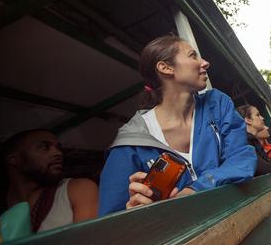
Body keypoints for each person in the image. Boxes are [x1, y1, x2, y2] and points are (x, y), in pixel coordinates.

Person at [98, 35, 256, 215]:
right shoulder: (129, 144)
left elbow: (241, 157)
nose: (205, 63)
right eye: (193, 56)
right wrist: (137, 214)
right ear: (165, 68)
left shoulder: (218, 104)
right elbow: (112, 221)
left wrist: (196, 189)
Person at [0, 129, 98, 232]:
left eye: (58, 148)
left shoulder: (78, 189)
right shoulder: (2, 210)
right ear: (13, 160)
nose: (57, 153)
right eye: (44, 147)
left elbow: (88, 241)